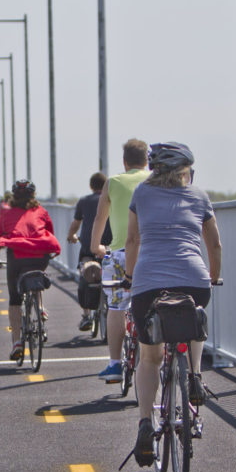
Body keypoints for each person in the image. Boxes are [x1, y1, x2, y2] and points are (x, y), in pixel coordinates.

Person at [124, 142, 222, 466]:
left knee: (150, 357)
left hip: (149, 284)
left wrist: (129, 275)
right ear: (186, 171)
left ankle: (144, 425)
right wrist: (212, 278)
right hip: (193, 280)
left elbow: (133, 241)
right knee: (194, 318)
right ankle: (194, 375)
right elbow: (215, 244)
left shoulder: (141, 193)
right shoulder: (200, 196)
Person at [91, 139, 150, 382]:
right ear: (147, 161)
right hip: (152, 252)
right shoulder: (155, 181)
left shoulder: (113, 182)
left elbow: (99, 218)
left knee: (116, 306)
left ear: (125, 162)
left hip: (121, 253)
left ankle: (115, 364)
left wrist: (96, 247)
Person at [0, 180, 62, 361]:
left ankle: (17, 342)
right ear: (33, 195)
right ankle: (39, 307)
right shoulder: (41, 211)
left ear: (14, 196)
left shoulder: (7, 215)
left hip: (17, 257)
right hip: (40, 257)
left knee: (15, 298)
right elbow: (49, 232)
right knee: (36, 279)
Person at [67, 172, 112, 331]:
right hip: (109, 246)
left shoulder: (84, 201)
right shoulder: (110, 198)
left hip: (89, 247)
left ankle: (86, 316)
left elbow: (76, 223)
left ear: (91, 186)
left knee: (85, 275)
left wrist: (71, 235)